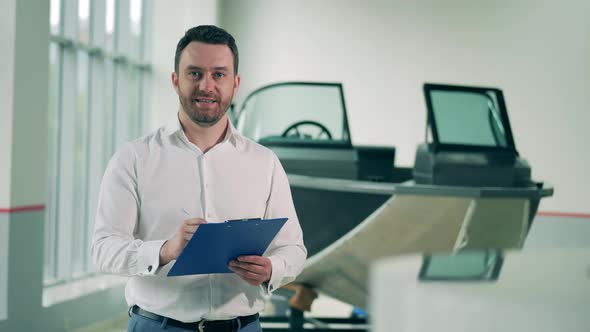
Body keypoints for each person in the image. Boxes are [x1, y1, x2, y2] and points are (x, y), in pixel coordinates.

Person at [91, 25, 307, 332]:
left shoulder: (265, 163)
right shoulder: (134, 158)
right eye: (195, 73)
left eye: (219, 74)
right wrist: (165, 250)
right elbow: (103, 249)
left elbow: (294, 250)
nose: (207, 85)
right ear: (175, 80)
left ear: (236, 83)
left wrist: (273, 269)